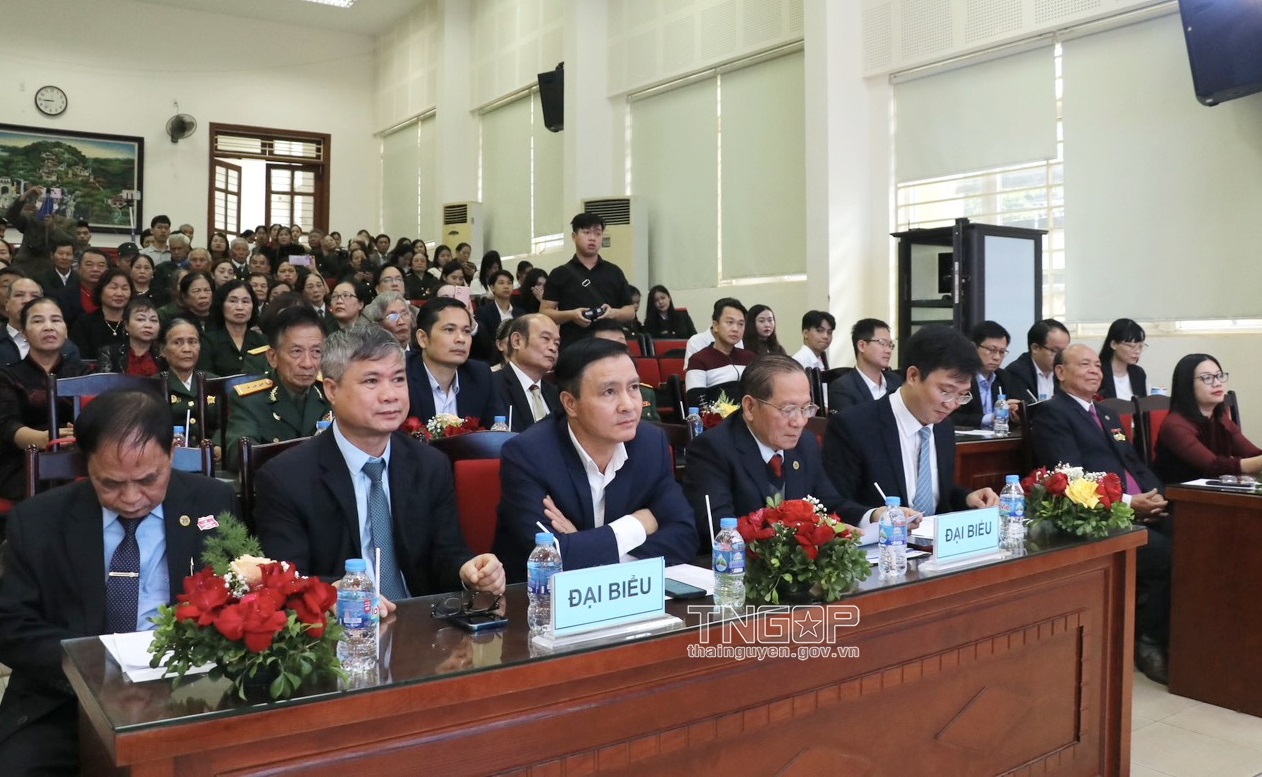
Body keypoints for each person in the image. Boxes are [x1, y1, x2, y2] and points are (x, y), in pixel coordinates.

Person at [0, 390, 236, 774]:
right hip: (67, 698)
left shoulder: (212, 501)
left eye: (148, 480)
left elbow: (236, 594)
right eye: (110, 483)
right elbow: (11, 627)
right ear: (85, 464)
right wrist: (96, 669)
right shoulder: (38, 521)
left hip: (188, 691)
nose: (131, 498)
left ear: (171, 454)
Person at [255, 325, 505, 602]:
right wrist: (335, 595)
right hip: (341, 629)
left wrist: (467, 570)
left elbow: (445, 553)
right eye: (371, 381)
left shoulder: (429, 464)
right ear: (331, 390)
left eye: (398, 379)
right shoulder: (285, 478)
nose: (390, 395)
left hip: (421, 624)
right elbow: (288, 580)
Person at [493, 337, 697, 582]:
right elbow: (549, 558)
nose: (628, 405)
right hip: (538, 603)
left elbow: (685, 536)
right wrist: (637, 524)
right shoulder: (528, 454)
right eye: (609, 392)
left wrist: (585, 545)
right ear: (570, 403)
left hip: (625, 594)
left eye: (633, 387)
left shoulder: (650, 444)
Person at [1028, 342, 1171, 683]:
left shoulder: (1105, 412)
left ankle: (1187, 637)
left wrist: (1159, 498)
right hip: (1100, 515)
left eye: (1097, 364)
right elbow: (1069, 480)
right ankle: (1147, 640)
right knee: (1169, 556)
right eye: (1085, 364)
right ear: (1060, 372)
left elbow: (1135, 464)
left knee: (1202, 534)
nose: (1095, 370)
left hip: (1144, 507)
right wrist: (1128, 504)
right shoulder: (1052, 413)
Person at [822, 325, 999, 525]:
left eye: (962, 395)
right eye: (945, 391)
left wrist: (967, 498)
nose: (951, 405)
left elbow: (937, 494)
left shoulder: (943, 427)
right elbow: (831, 504)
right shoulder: (853, 426)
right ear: (913, 376)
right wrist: (874, 516)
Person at [683, 355, 841, 551]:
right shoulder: (712, 449)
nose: (799, 421)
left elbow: (830, 503)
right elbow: (719, 531)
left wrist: (870, 516)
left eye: (805, 408)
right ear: (750, 407)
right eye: (788, 409)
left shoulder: (806, 444)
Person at [0, 297, 93, 500]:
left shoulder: (83, 373)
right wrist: (45, 440)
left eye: (56, 320)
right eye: (38, 321)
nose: (49, 327)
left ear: (66, 330)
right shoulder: (8, 375)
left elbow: (95, 419)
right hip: (24, 458)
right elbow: (7, 425)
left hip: (77, 454)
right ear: (23, 333)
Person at [223, 306, 330, 471]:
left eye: (316, 351)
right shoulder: (249, 400)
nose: (308, 363)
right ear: (273, 357)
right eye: (296, 352)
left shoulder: (331, 393)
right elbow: (239, 456)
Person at [1153, 354, 1262, 482]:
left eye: (1219, 376)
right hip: (1181, 496)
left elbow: (1253, 454)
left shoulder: (1221, 419)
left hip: (1215, 491)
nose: (1217, 383)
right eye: (1207, 378)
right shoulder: (1175, 424)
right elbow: (1214, 466)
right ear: (1187, 385)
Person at [541, 212, 636, 348]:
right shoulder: (560, 273)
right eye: (586, 232)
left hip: (609, 345)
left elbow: (630, 312)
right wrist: (572, 315)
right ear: (574, 236)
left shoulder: (614, 271)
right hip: (573, 346)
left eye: (598, 234)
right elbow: (545, 312)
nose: (592, 238)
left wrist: (613, 313)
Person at [405, 297, 503, 428]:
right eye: (449, 330)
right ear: (423, 338)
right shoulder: (402, 375)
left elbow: (494, 433)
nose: (461, 339)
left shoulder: (480, 375)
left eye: (466, 331)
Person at [494, 314, 561, 433]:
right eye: (545, 338)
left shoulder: (556, 394)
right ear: (517, 341)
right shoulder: (492, 386)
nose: (553, 348)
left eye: (557, 343)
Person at [684, 298, 754, 409]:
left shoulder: (750, 358)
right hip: (717, 422)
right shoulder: (698, 360)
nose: (735, 329)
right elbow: (697, 404)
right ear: (716, 326)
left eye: (741, 324)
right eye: (730, 322)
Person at [159, 318, 219, 449]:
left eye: (193, 342)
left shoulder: (214, 382)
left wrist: (217, 444)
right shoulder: (154, 385)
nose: (187, 349)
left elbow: (228, 423)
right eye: (177, 343)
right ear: (162, 350)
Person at [0, 277, 83, 367]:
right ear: (7, 303)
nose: (27, 300)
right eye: (19, 295)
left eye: (34, 296)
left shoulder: (66, 348)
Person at [952, 320, 1019, 428]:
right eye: (992, 350)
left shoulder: (1004, 377)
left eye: (1002, 352)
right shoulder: (960, 377)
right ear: (973, 347)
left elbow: (1009, 418)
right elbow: (951, 417)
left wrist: (1015, 413)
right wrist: (991, 418)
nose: (997, 357)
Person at [591, 320, 660, 422]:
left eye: (621, 345)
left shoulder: (645, 393)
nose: (617, 352)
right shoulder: (588, 393)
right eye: (608, 347)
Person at [827, 318, 903, 412]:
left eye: (890, 345)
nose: (888, 350)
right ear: (862, 346)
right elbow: (849, 425)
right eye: (882, 343)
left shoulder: (897, 382)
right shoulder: (842, 388)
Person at [199, 280, 268, 376]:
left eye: (245, 301)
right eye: (233, 301)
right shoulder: (208, 341)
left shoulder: (262, 341)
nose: (240, 307)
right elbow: (205, 378)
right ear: (221, 305)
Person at [68, 267, 132, 359]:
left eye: (125, 288)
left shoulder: (134, 322)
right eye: (113, 287)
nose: (119, 293)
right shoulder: (84, 323)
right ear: (101, 290)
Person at [1004, 318, 1070, 403]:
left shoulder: (1062, 372)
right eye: (1055, 351)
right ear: (1035, 348)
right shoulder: (1016, 373)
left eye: (1064, 351)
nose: (1060, 357)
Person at [97, 298, 162, 376]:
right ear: (126, 325)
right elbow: (103, 385)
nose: (148, 325)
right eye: (140, 319)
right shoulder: (109, 353)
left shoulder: (166, 354)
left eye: (154, 320)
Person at [473, 269, 523, 361]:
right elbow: (483, 342)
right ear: (492, 287)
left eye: (509, 283)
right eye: (501, 283)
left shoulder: (521, 313)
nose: (506, 286)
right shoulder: (483, 312)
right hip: (493, 360)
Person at [57, 247, 109, 331]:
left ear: (107, 270)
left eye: (101, 266)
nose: (95, 269)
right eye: (89, 264)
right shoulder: (63, 296)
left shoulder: (114, 295)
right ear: (79, 269)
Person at [1098, 318, 1148, 399]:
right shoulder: (1098, 373)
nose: (1137, 351)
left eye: (1140, 346)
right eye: (1131, 346)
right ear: (1113, 344)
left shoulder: (1138, 373)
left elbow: (1144, 407)